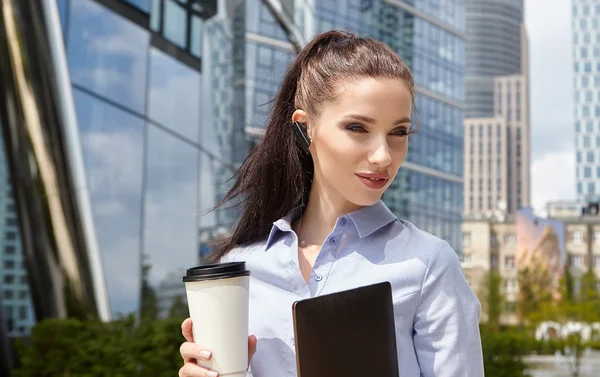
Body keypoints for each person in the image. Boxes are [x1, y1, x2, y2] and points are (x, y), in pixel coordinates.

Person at [178, 30, 484, 377]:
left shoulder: (429, 265)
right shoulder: (239, 269)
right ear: (304, 128)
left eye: (398, 132)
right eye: (358, 128)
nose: (384, 156)